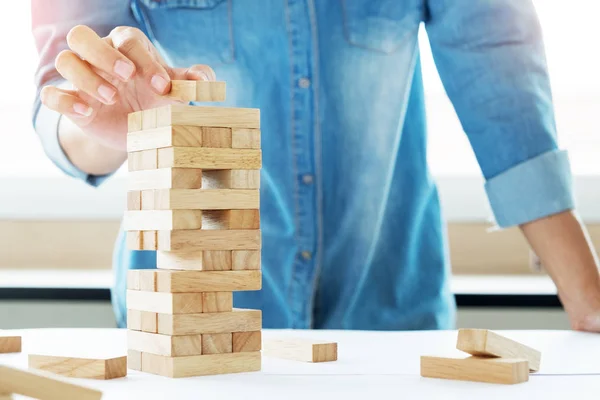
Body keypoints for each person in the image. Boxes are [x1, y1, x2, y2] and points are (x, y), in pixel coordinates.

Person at [31, 0, 600, 332]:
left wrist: (584, 293)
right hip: (191, 322)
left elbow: (495, 60)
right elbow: (62, 95)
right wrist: (107, 121)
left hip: (389, 311)